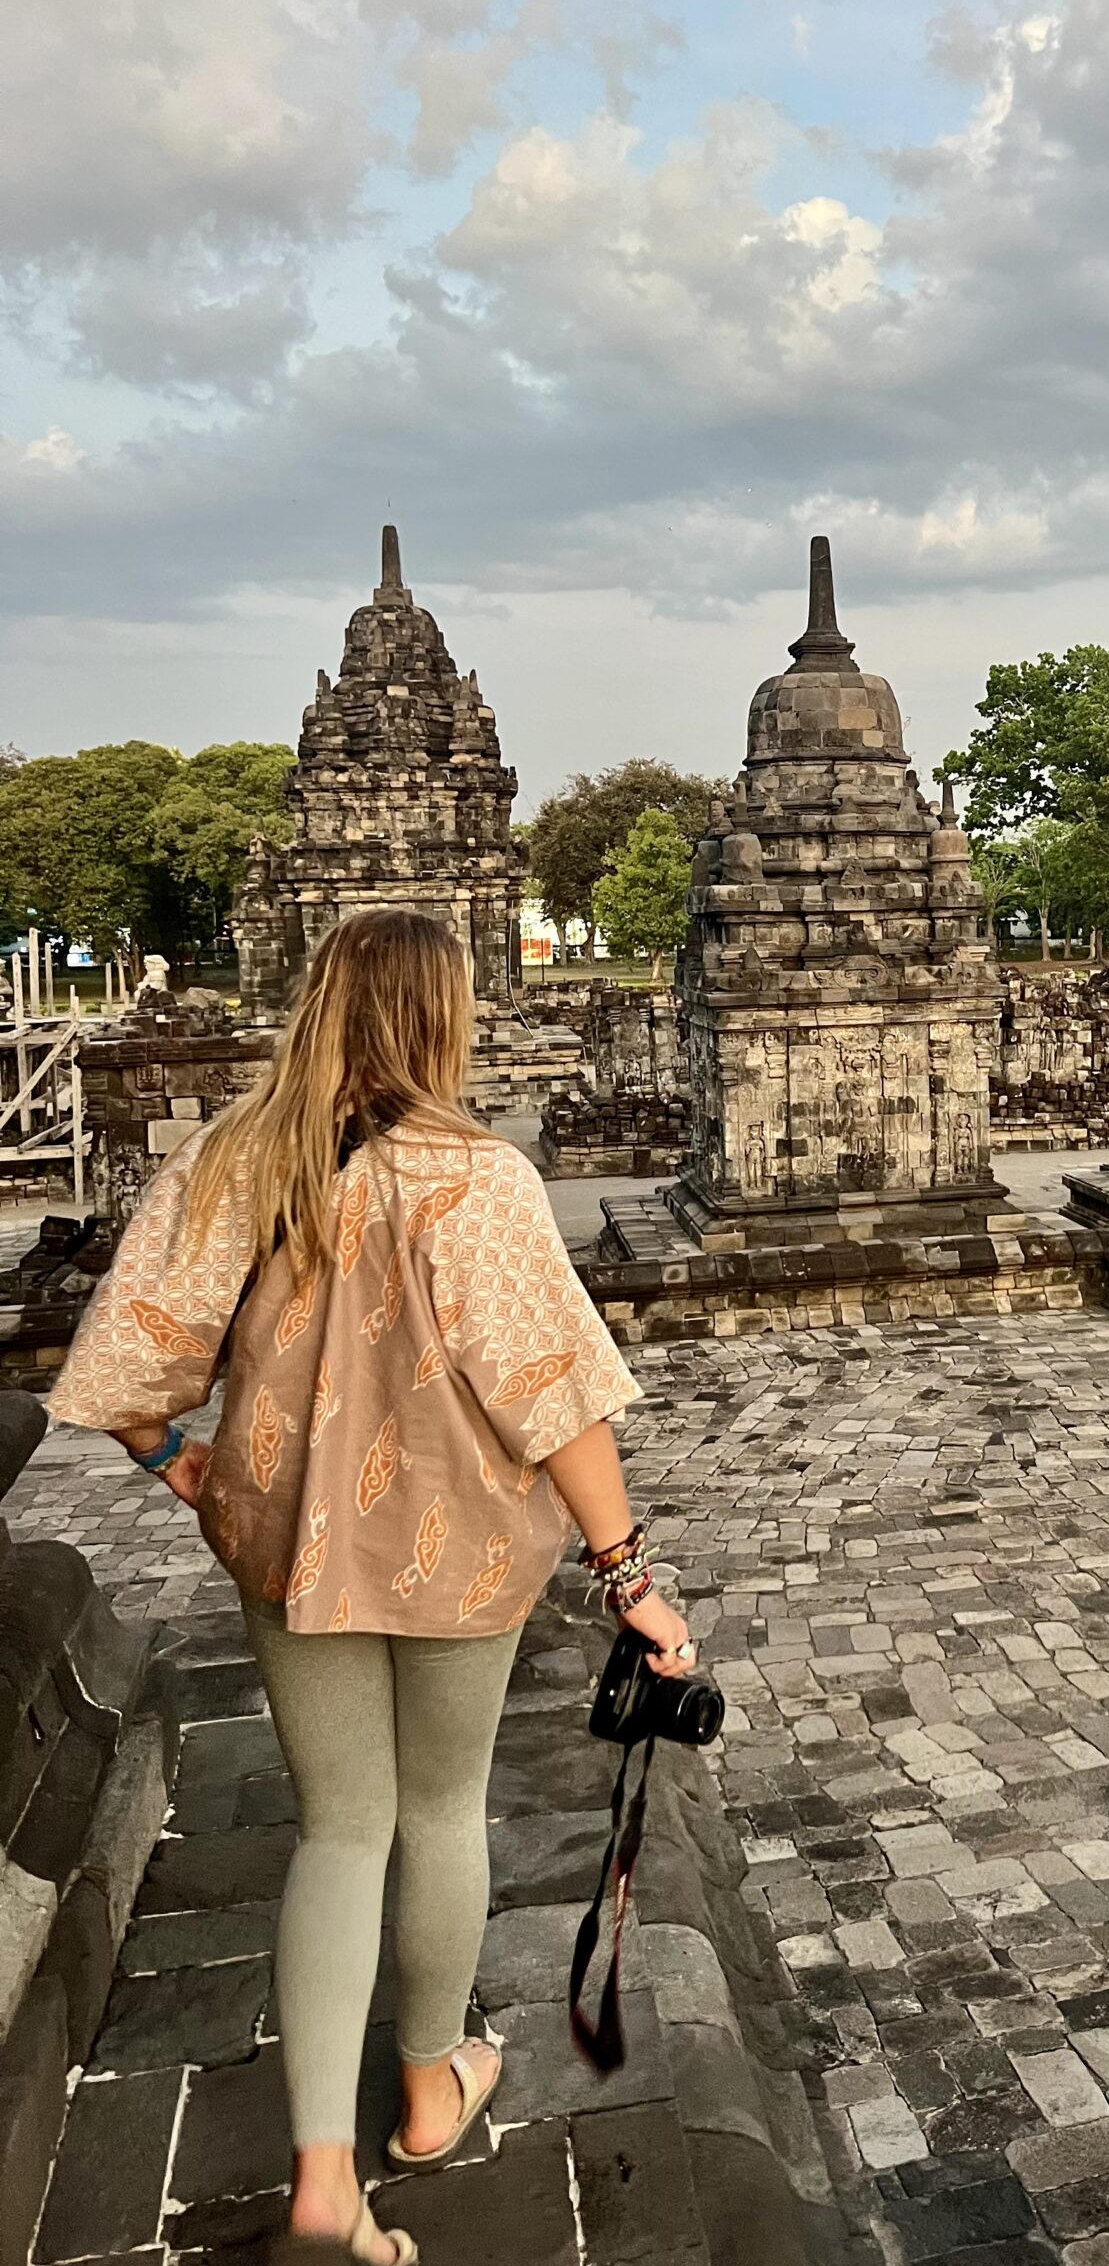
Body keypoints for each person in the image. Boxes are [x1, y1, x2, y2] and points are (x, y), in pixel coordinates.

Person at [49, 911, 693, 2265]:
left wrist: (179, 1459)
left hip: (286, 1538)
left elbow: (129, 1352)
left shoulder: (237, 1155)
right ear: (441, 1018)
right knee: (442, 1807)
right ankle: (428, 2083)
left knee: (340, 1826)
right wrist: (632, 1577)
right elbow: (556, 1399)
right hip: (455, 1541)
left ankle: (325, 2187)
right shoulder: (473, 1178)